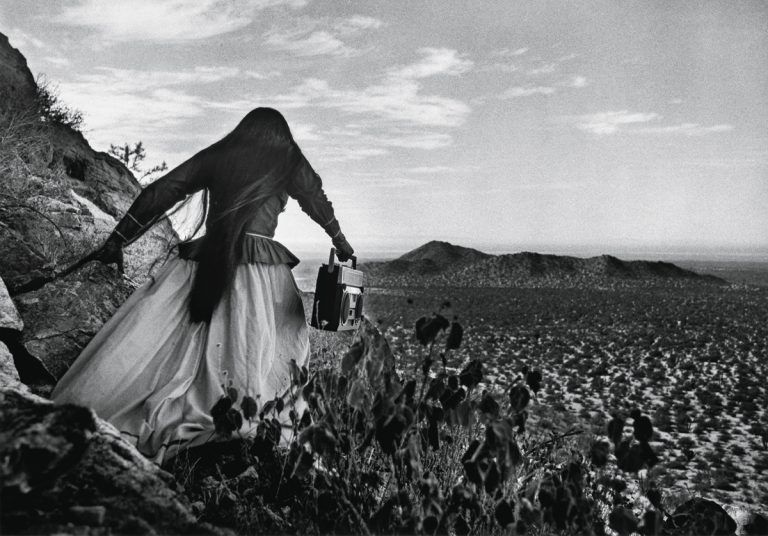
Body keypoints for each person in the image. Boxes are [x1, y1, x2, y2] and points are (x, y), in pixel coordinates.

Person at [51, 107, 354, 464]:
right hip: (261, 272)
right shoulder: (287, 157)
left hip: (204, 260)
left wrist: (119, 239)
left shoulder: (221, 153)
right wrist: (341, 241)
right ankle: (248, 423)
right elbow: (315, 198)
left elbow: (164, 190)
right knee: (271, 349)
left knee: (167, 342)